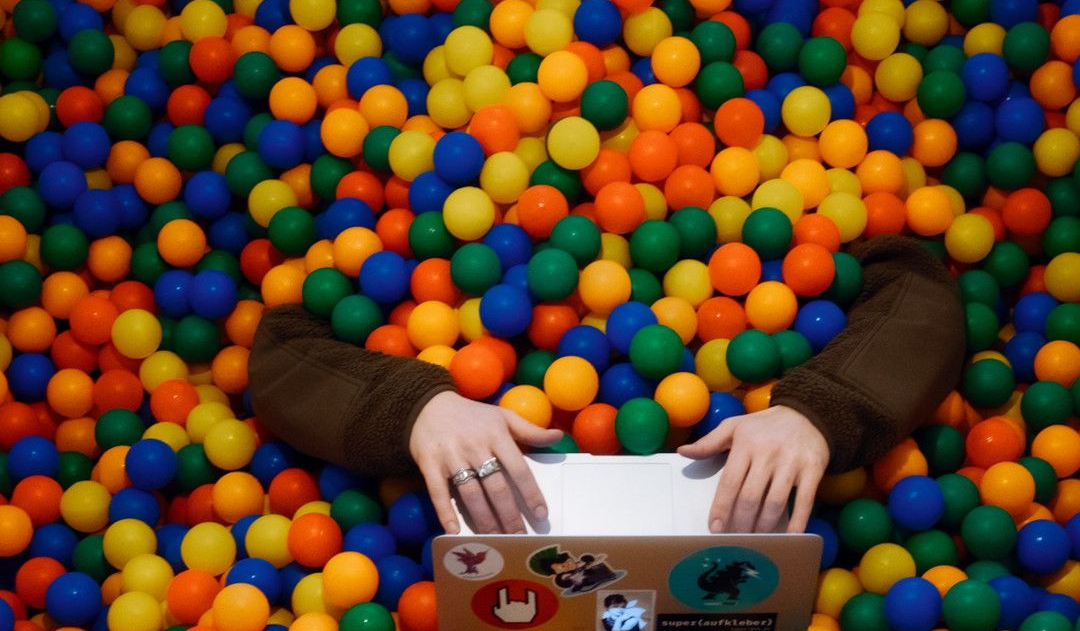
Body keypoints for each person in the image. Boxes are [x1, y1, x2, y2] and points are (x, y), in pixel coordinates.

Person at [248, 232, 965, 537]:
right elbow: (282, 352)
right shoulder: (441, 261)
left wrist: (814, 413)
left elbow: (919, 288)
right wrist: (420, 405)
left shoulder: (756, 243)